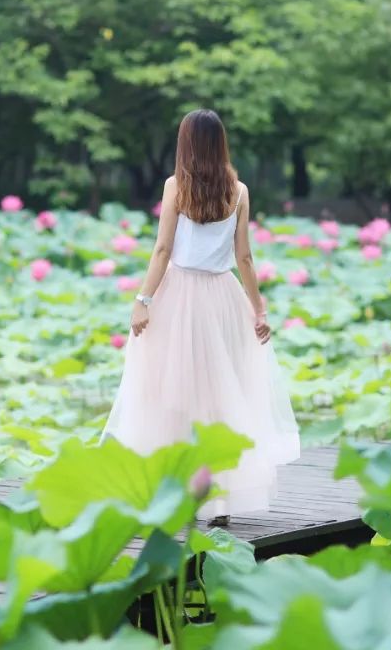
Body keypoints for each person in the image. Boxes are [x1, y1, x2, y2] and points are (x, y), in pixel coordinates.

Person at [101, 108, 300, 525]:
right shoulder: (239, 191)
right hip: (223, 297)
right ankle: (219, 503)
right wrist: (258, 310)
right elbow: (244, 257)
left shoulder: (176, 186)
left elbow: (162, 250)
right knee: (220, 398)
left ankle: (174, 494)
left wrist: (143, 300)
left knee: (168, 397)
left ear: (186, 144)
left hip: (178, 296)